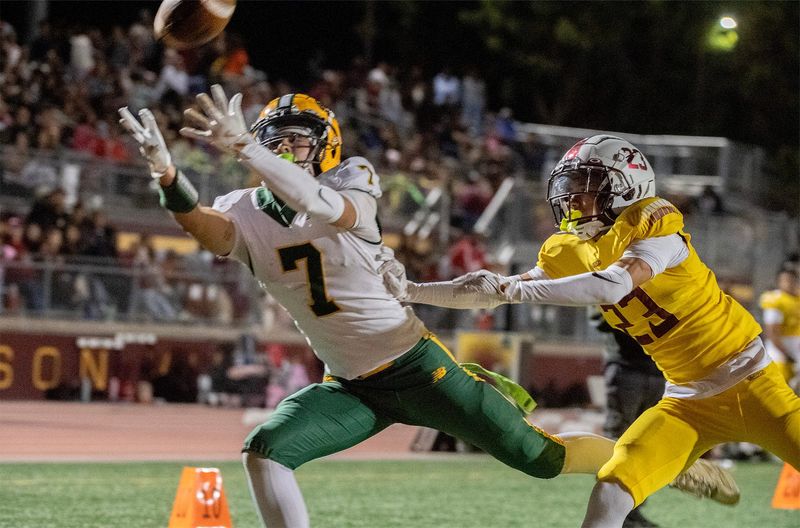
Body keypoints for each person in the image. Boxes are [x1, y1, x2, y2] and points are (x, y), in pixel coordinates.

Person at [120, 94, 735, 528]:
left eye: (297, 140)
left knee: (541, 459)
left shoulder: (351, 179)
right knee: (264, 449)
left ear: (326, 147)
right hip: (348, 384)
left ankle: (665, 464)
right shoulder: (243, 206)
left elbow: (310, 198)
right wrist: (168, 175)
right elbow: (211, 231)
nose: (285, 148)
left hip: (416, 367)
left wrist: (254, 151)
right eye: (275, 139)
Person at [380, 135, 800, 528]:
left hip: (752, 385)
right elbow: (490, 292)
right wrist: (413, 290)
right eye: (571, 184)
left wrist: (513, 292)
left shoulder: (657, 228)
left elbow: (613, 284)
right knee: (614, 487)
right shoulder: (571, 249)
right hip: (685, 401)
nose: (573, 197)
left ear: (627, 187)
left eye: (588, 184)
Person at [592, 311, 665, 528]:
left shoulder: (659, 281)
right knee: (617, 442)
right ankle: (608, 514)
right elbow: (600, 317)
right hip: (625, 367)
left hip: (658, 369)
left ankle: (634, 510)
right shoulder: (611, 278)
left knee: (645, 445)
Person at [759, 267, 800, 391]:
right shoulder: (775, 300)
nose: (789, 283)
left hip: (796, 350)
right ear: (778, 282)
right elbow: (772, 332)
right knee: (780, 389)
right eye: (785, 280)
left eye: (792, 280)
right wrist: (787, 354)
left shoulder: (796, 298)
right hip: (780, 351)